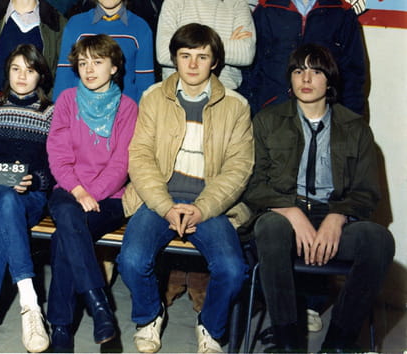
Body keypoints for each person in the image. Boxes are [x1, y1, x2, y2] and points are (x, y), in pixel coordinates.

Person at [242, 44, 394, 352]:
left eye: (316, 71)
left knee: (378, 240)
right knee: (269, 228)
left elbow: (367, 192)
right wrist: (291, 212)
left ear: (330, 80)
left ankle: (338, 343)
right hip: (284, 218)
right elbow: (252, 183)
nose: (306, 79)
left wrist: (338, 217)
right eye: (299, 71)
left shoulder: (355, 128)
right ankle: (287, 343)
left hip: (333, 218)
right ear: (290, 78)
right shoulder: (267, 121)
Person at [118, 23, 253, 354]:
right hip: (158, 199)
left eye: (202, 57)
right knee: (131, 260)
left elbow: (238, 168)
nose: (193, 64)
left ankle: (210, 326)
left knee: (232, 270)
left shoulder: (236, 106)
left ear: (215, 62)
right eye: (185, 55)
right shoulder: (154, 98)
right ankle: (150, 315)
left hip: (210, 205)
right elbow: (140, 157)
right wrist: (165, 206)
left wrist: (202, 209)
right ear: (174, 59)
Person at [46, 35, 138, 352]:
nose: (89, 69)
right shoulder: (67, 100)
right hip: (68, 189)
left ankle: (60, 329)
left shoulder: (128, 108)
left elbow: (121, 165)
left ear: (114, 68)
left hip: (109, 197)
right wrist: (78, 191)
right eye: (83, 63)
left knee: (63, 237)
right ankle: (100, 307)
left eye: (97, 62)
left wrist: (92, 194)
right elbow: (58, 156)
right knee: (67, 212)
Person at [0, 45, 55, 353]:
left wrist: (36, 180)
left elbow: (54, 167)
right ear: (7, 72)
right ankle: (31, 303)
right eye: (16, 68)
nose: (22, 76)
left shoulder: (50, 113)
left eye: (30, 70)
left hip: (27, 198)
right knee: (3, 201)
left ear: (40, 75)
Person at [241, 0, 366, 115]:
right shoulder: (267, 8)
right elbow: (252, 68)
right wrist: (253, 113)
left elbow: (353, 73)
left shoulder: (342, 12)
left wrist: (349, 119)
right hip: (273, 111)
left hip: (324, 112)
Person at [54, 0, 154, 102]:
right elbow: (64, 80)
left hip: (124, 112)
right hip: (81, 110)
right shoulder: (76, 25)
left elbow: (145, 86)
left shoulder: (140, 28)